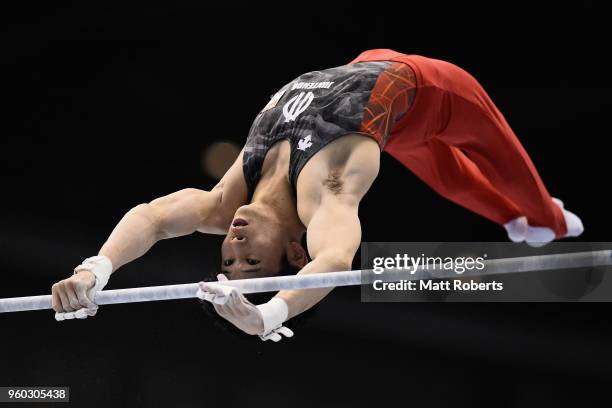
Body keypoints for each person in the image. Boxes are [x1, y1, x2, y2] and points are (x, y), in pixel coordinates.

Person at [51, 49, 583, 341]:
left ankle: (525, 225)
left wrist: (93, 271)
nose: (233, 239)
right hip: (435, 91)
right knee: (515, 183)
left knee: (452, 176)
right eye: (252, 258)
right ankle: (546, 222)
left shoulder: (228, 198)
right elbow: (335, 257)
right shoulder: (327, 195)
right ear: (293, 254)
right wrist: (270, 315)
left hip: (369, 68)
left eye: (227, 256)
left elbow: (153, 217)